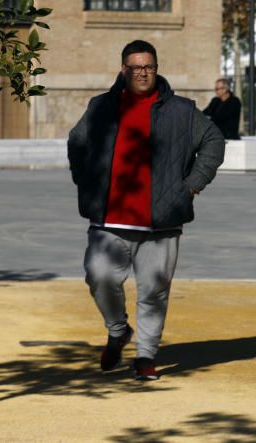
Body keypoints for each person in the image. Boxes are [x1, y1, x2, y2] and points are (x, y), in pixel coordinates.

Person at [68, 40, 225, 381]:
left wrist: (192, 186)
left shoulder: (182, 111)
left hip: (161, 224)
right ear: (123, 70)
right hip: (108, 220)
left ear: (156, 68)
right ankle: (118, 329)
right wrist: (86, 181)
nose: (142, 72)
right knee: (99, 276)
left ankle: (146, 355)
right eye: (135, 67)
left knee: (154, 292)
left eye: (149, 67)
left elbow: (214, 141)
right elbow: (77, 142)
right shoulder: (101, 108)